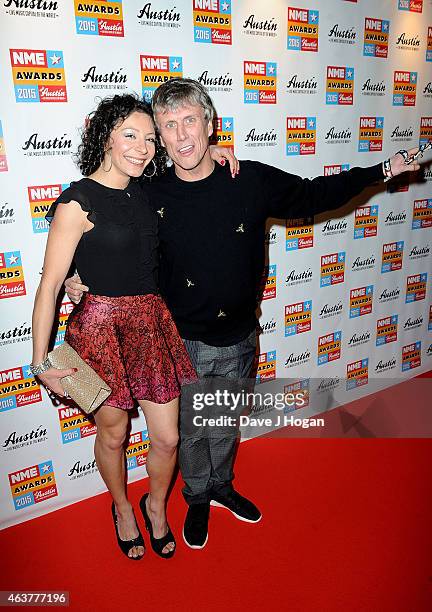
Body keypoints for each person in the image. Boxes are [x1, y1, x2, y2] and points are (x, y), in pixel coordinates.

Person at [66, 78, 421, 551]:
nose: (182, 134)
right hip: (179, 339)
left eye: (191, 120)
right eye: (168, 126)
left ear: (211, 125)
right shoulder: (150, 194)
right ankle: (195, 496)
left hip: (240, 336)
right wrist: (76, 275)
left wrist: (381, 169)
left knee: (225, 419)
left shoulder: (248, 178)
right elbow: (102, 221)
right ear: (160, 137)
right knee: (190, 430)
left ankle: (221, 485)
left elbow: (314, 194)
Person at [30, 93, 234, 560]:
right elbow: (50, 288)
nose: (143, 147)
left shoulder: (149, 190)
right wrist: (41, 362)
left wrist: (219, 152)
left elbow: (194, 169)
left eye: (148, 138)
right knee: (114, 433)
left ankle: (156, 504)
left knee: (167, 437)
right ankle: (122, 506)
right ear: (104, 137)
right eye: (130, 135)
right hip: (94, 334)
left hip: (150, 325)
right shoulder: (75, 203)